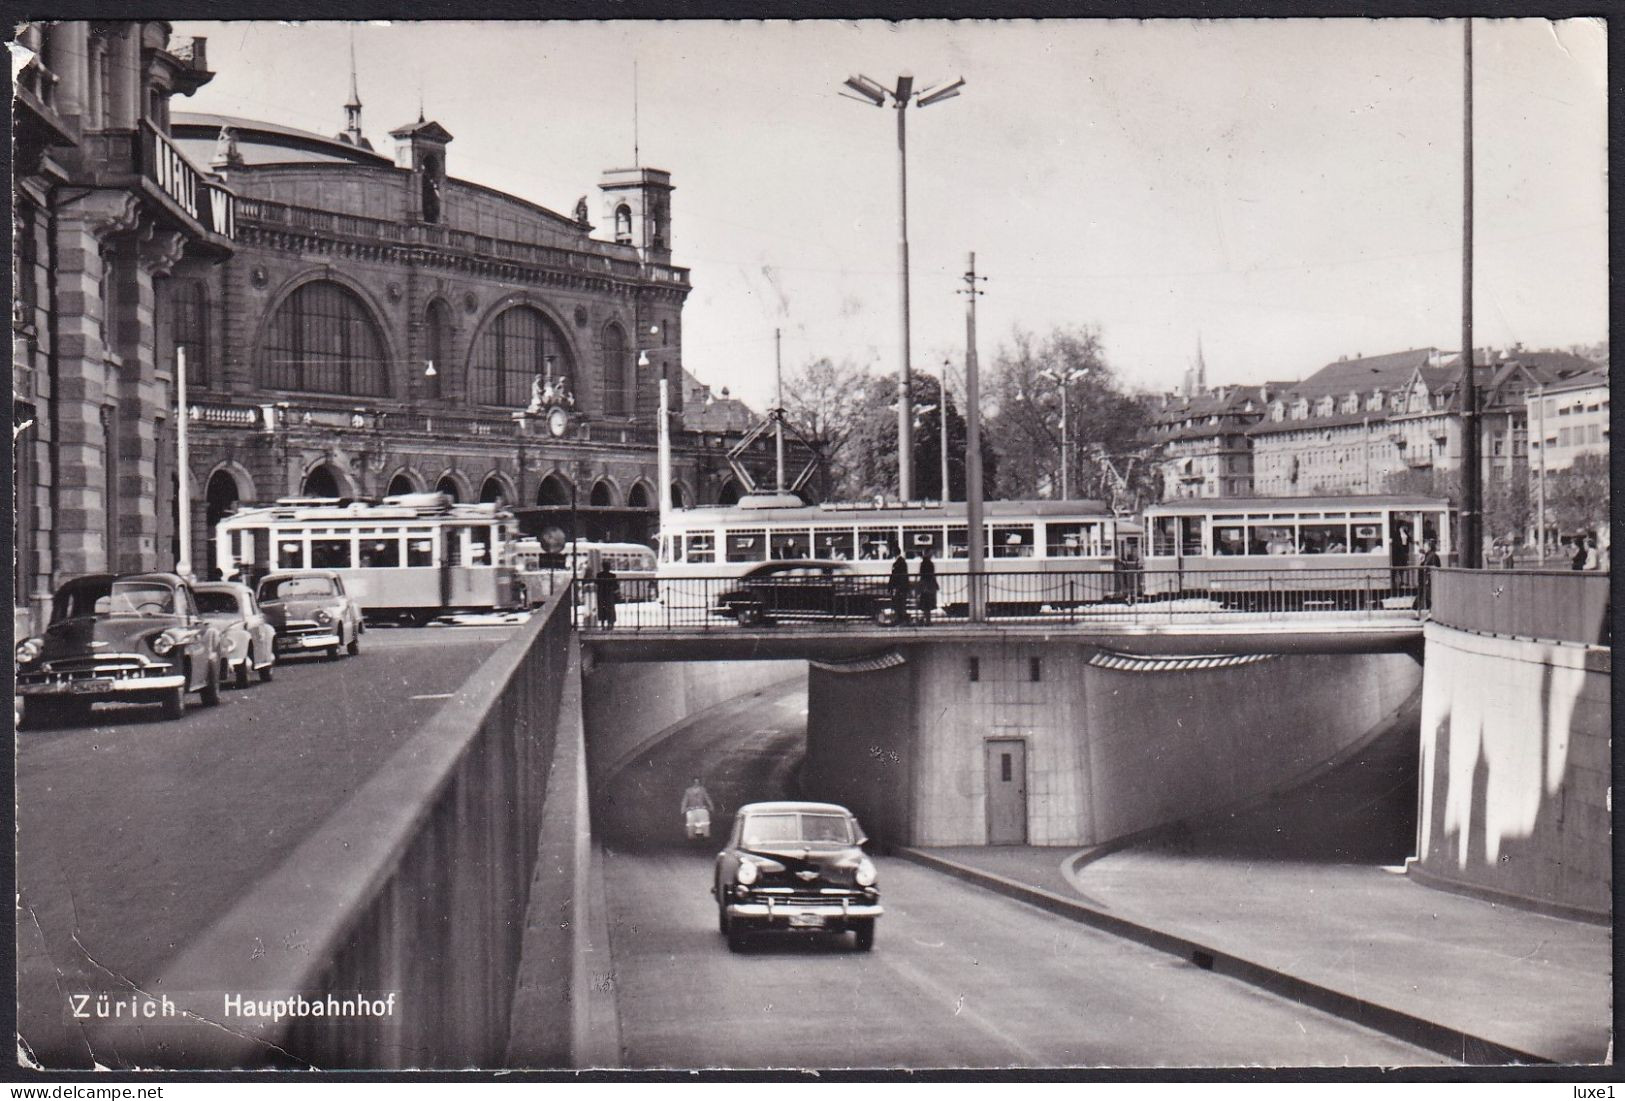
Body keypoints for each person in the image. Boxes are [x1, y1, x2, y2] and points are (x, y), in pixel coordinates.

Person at [680, 777, 715, 841]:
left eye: (698, 782)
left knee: (705, 824)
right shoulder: (688, 790)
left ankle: (706, 838)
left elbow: (707, 798)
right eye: (695, 782)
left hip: (701, 809)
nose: (696, 783)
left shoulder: (703, 790)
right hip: (691, 810)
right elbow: (684, 800)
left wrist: (711, 807)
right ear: (692, 782)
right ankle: (691, 838)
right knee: (691, 825)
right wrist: (683, 809)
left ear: (699, 782)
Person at [916, 548, 939, 625]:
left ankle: (926, 620)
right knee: (928, 604)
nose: (932, 554)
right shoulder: (929, 563)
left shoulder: (923, 563)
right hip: (928, 586)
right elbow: (931, 575)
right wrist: (935, 584)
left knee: (925, 605)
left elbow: (921, 575)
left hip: (924, 586)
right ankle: (928, 621)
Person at [1417, 539, 1440, 611]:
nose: (1424, 548)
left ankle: (1429, 611)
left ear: (1429, 547)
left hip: (1429, 579)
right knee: (1426, 595)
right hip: (1427, 579)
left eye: (1425, 546)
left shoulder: (1432, 556)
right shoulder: (1428, 555)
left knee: (1428, 595)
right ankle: (1428, 611)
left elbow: (1433, 567)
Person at [888, 550, 910, 625]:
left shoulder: (897, 563)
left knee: (898, 604)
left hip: (899, 586)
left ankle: (899, 619)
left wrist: (891, 586)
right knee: (901, 604)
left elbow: (894, 576)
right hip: (902, 586)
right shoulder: (903, 562)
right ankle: (901, 619)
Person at [595, 563, 620, 629]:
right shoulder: (612, 575)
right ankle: (610, 623)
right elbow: (615, 585)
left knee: (602, 608)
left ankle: (603, 624)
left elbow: (596, 583)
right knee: (610, 609)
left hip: (602, 594)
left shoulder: (599, 575)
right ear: (609, 567)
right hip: (609, 595)